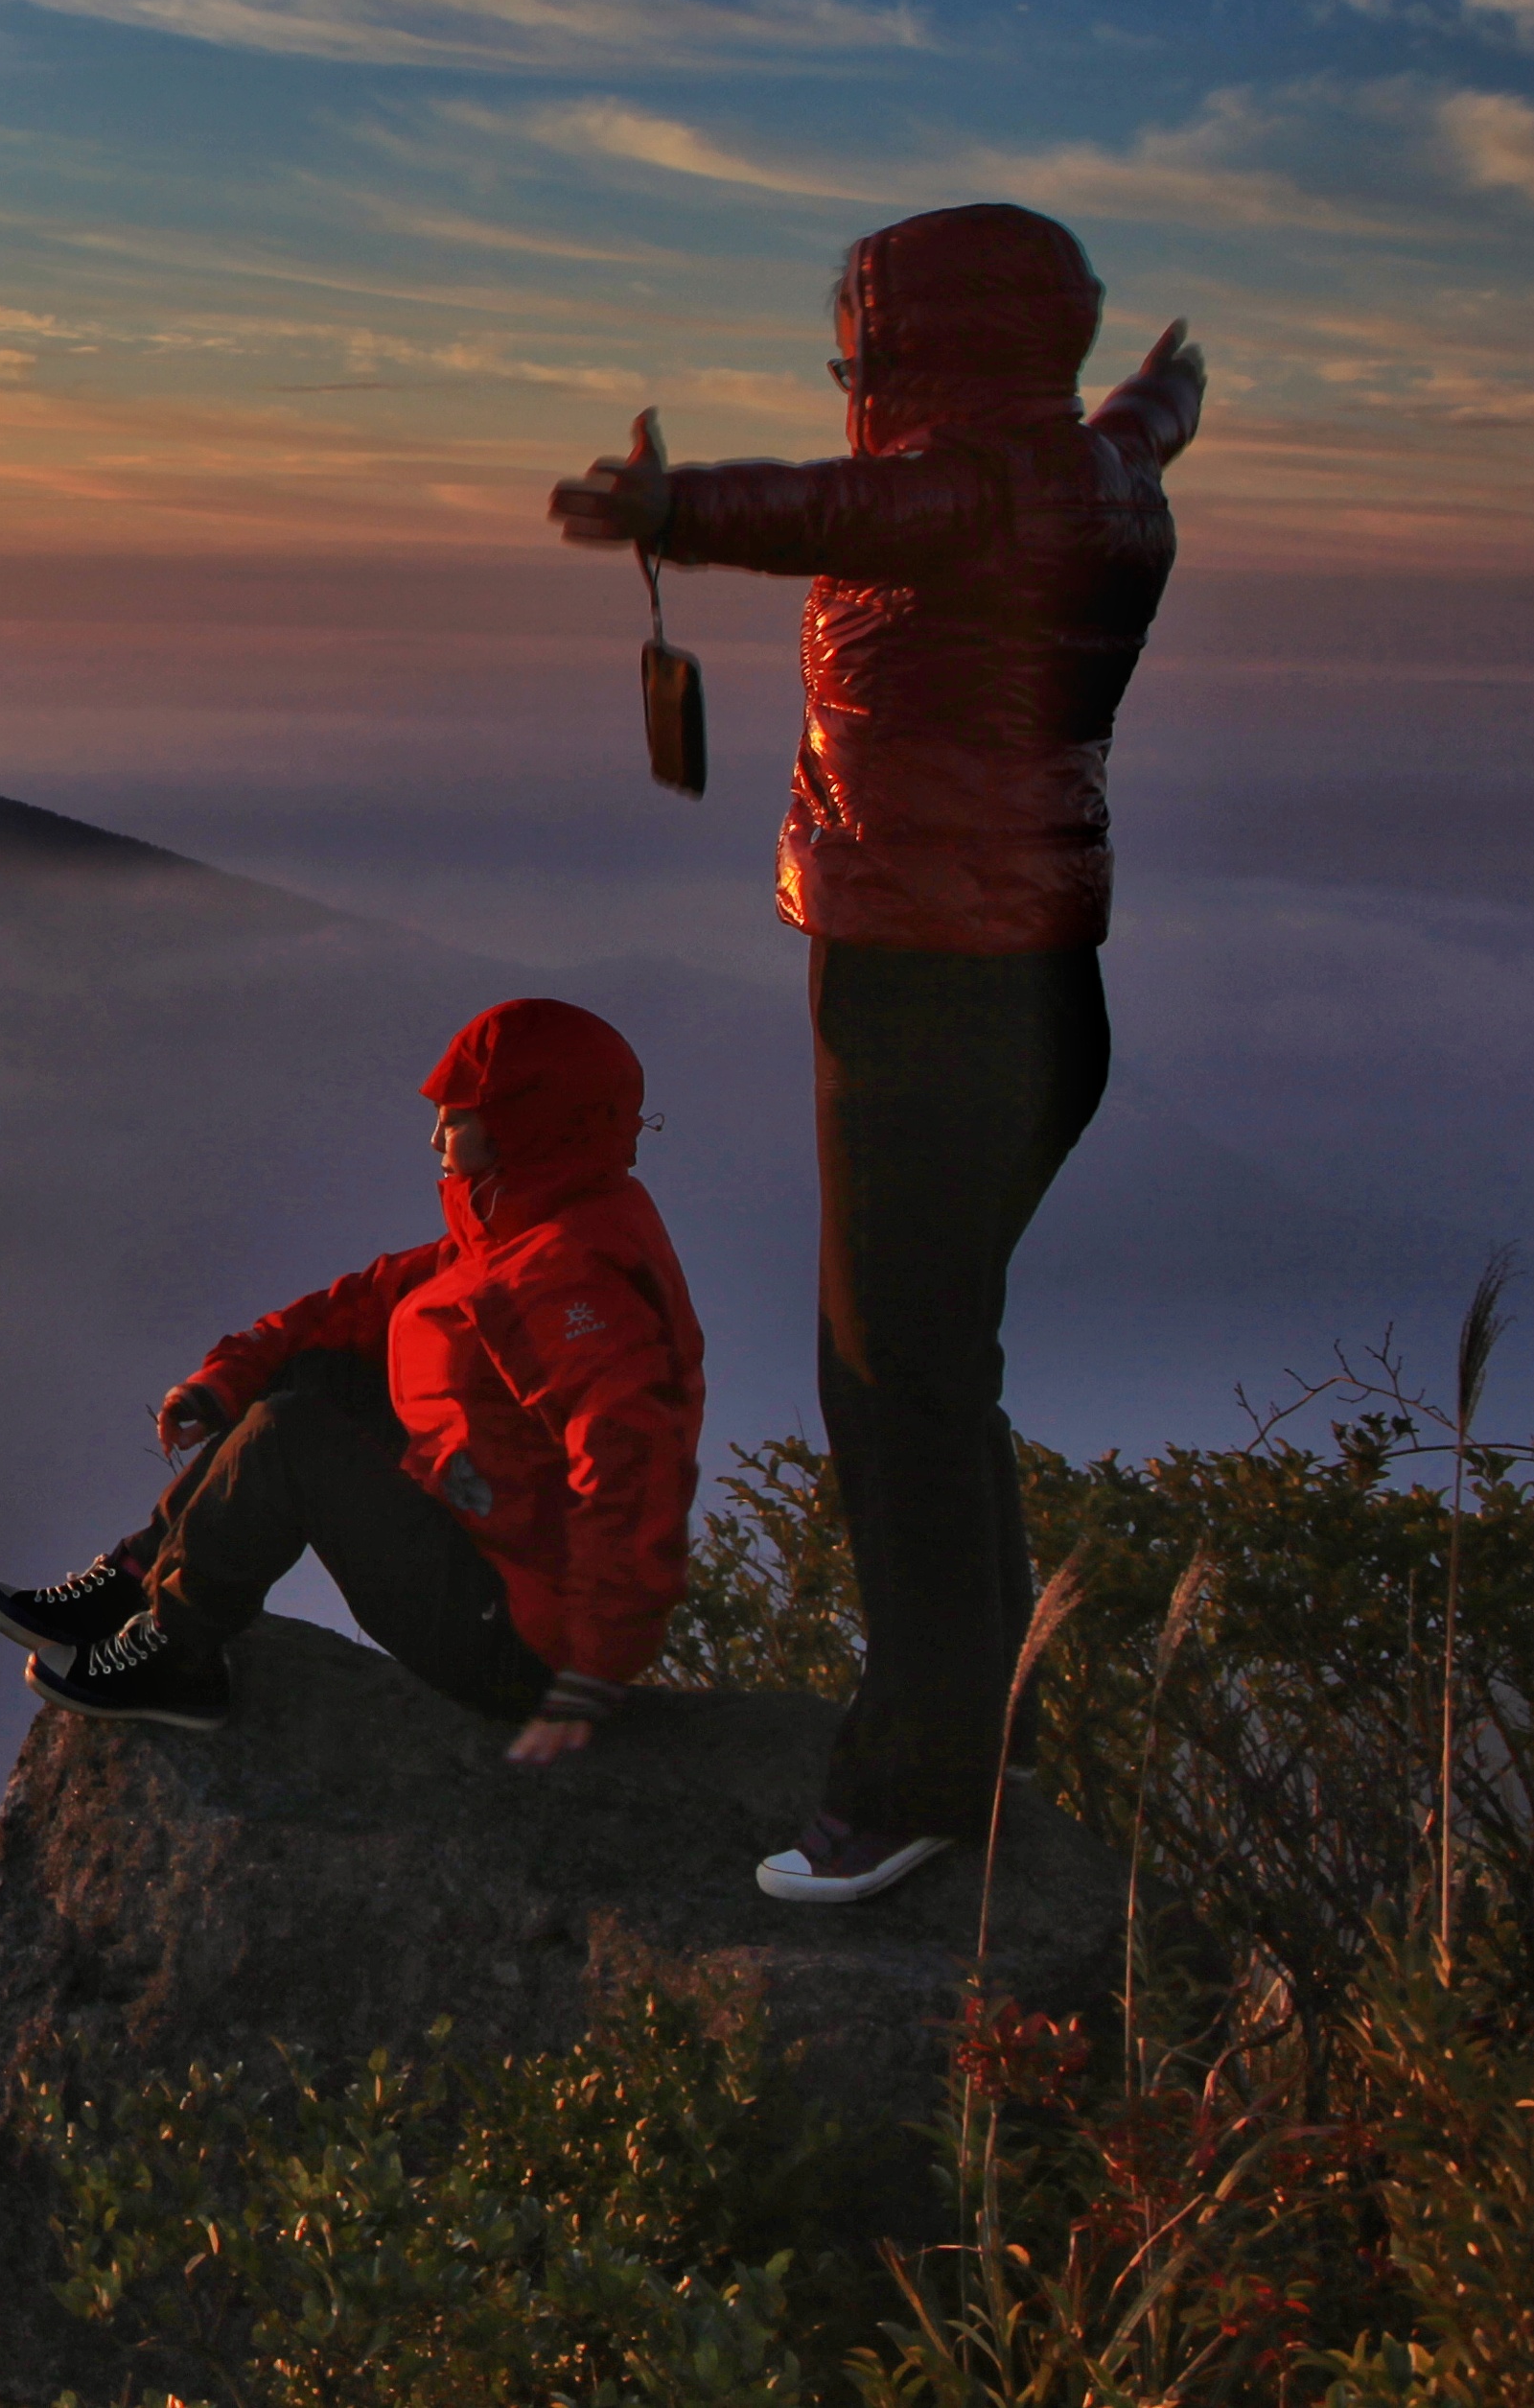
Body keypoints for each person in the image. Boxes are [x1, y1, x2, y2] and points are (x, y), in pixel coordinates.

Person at [549, 200, 1202, 1905]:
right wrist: (1159, 394)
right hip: (1046, 981)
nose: (844, 374)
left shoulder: (970, 488)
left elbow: (837, 505)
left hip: (929, 992)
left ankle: (916, 1788)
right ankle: (979, 1732)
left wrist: (672, 510)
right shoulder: (1093, 472)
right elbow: (1120, 430)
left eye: (861, 348)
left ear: (917, 350)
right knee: (934, 1372)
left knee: (892, 1388)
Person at [0, 998, 703, 1765]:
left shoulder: (568, 1275)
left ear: (521, 1123)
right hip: (492, 1541)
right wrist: (229, 1375)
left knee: (288, 1439)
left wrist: (591, 1662)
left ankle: (177, 1654)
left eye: (453, 1120)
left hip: (517, 1643)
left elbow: (633, 1460)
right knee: (314, 1372)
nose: (433, 1140)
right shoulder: (528, 1223)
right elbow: (363, 1301)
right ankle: (135, 1575)